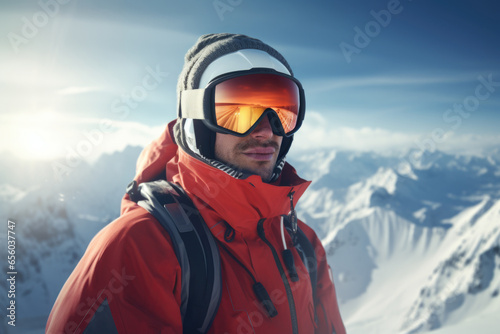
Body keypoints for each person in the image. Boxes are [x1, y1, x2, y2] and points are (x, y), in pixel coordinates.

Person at [46, 33, 345, 334]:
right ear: (195, 122)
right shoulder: (137, 248)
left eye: (282, 110)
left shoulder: (302, 243)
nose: (267, 130)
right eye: (238, 111)